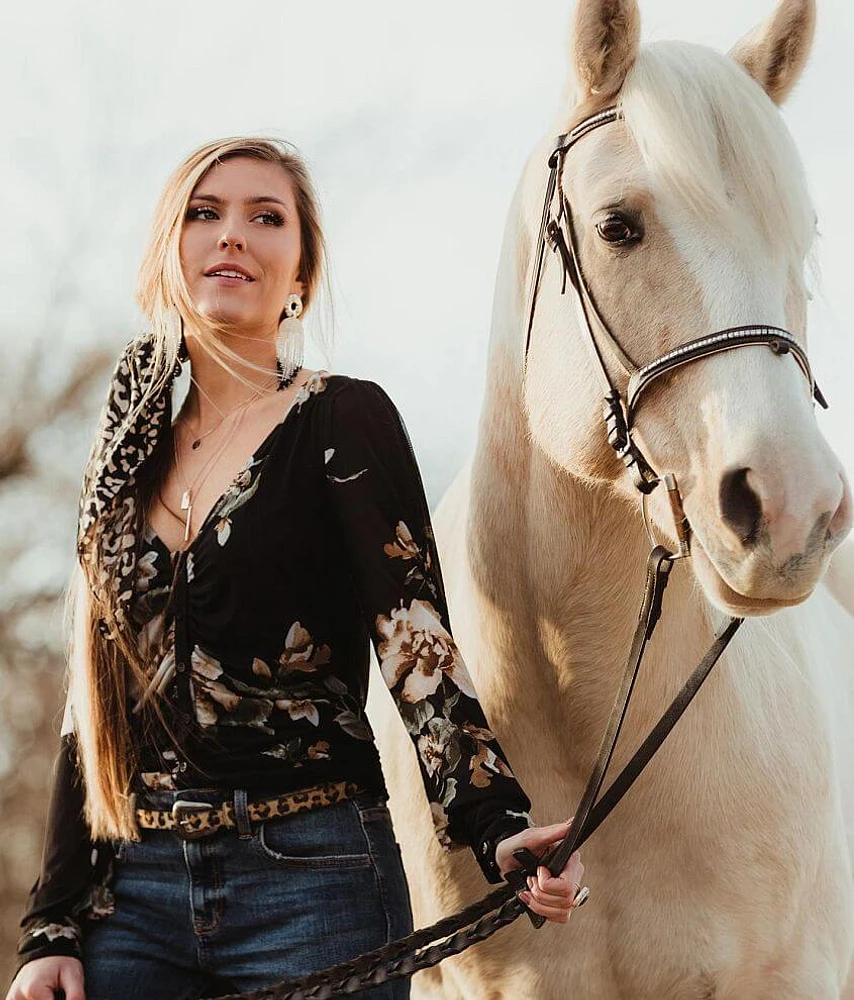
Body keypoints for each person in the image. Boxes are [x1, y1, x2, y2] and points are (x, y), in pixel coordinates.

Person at [6, 136, 586, 1000]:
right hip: (132, 901)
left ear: (302, 273)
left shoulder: (342, 421)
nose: (231, 235)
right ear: (171, 253)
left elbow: (415, 644)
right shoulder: (126, 449)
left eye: (264, 217)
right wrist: (53, 922)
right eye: (205, 214)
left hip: (315, 881)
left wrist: (495, 824)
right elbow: (92, 704)